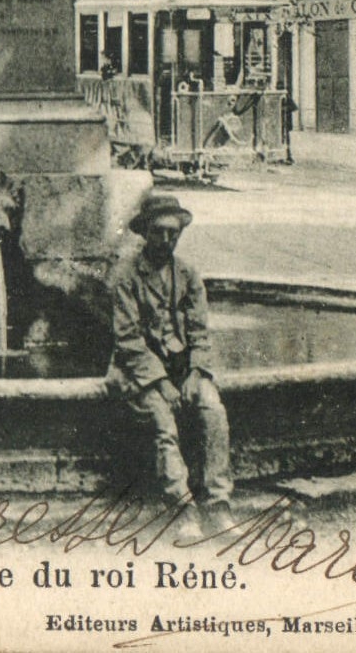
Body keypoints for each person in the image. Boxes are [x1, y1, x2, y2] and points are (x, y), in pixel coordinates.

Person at [107, 193, 233, 537]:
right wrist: (161, 382)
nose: (166, 240)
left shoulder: (188, 274)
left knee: (213, 410)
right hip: (138, 372)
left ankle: (218, 504)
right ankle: (183, 509)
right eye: (158, 232)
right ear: (145, 232)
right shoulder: (125, 276)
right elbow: (128, 339)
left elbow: (199, 332)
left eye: (173, 233)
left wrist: (195, 372)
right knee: (164, 423)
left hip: (183, 369)